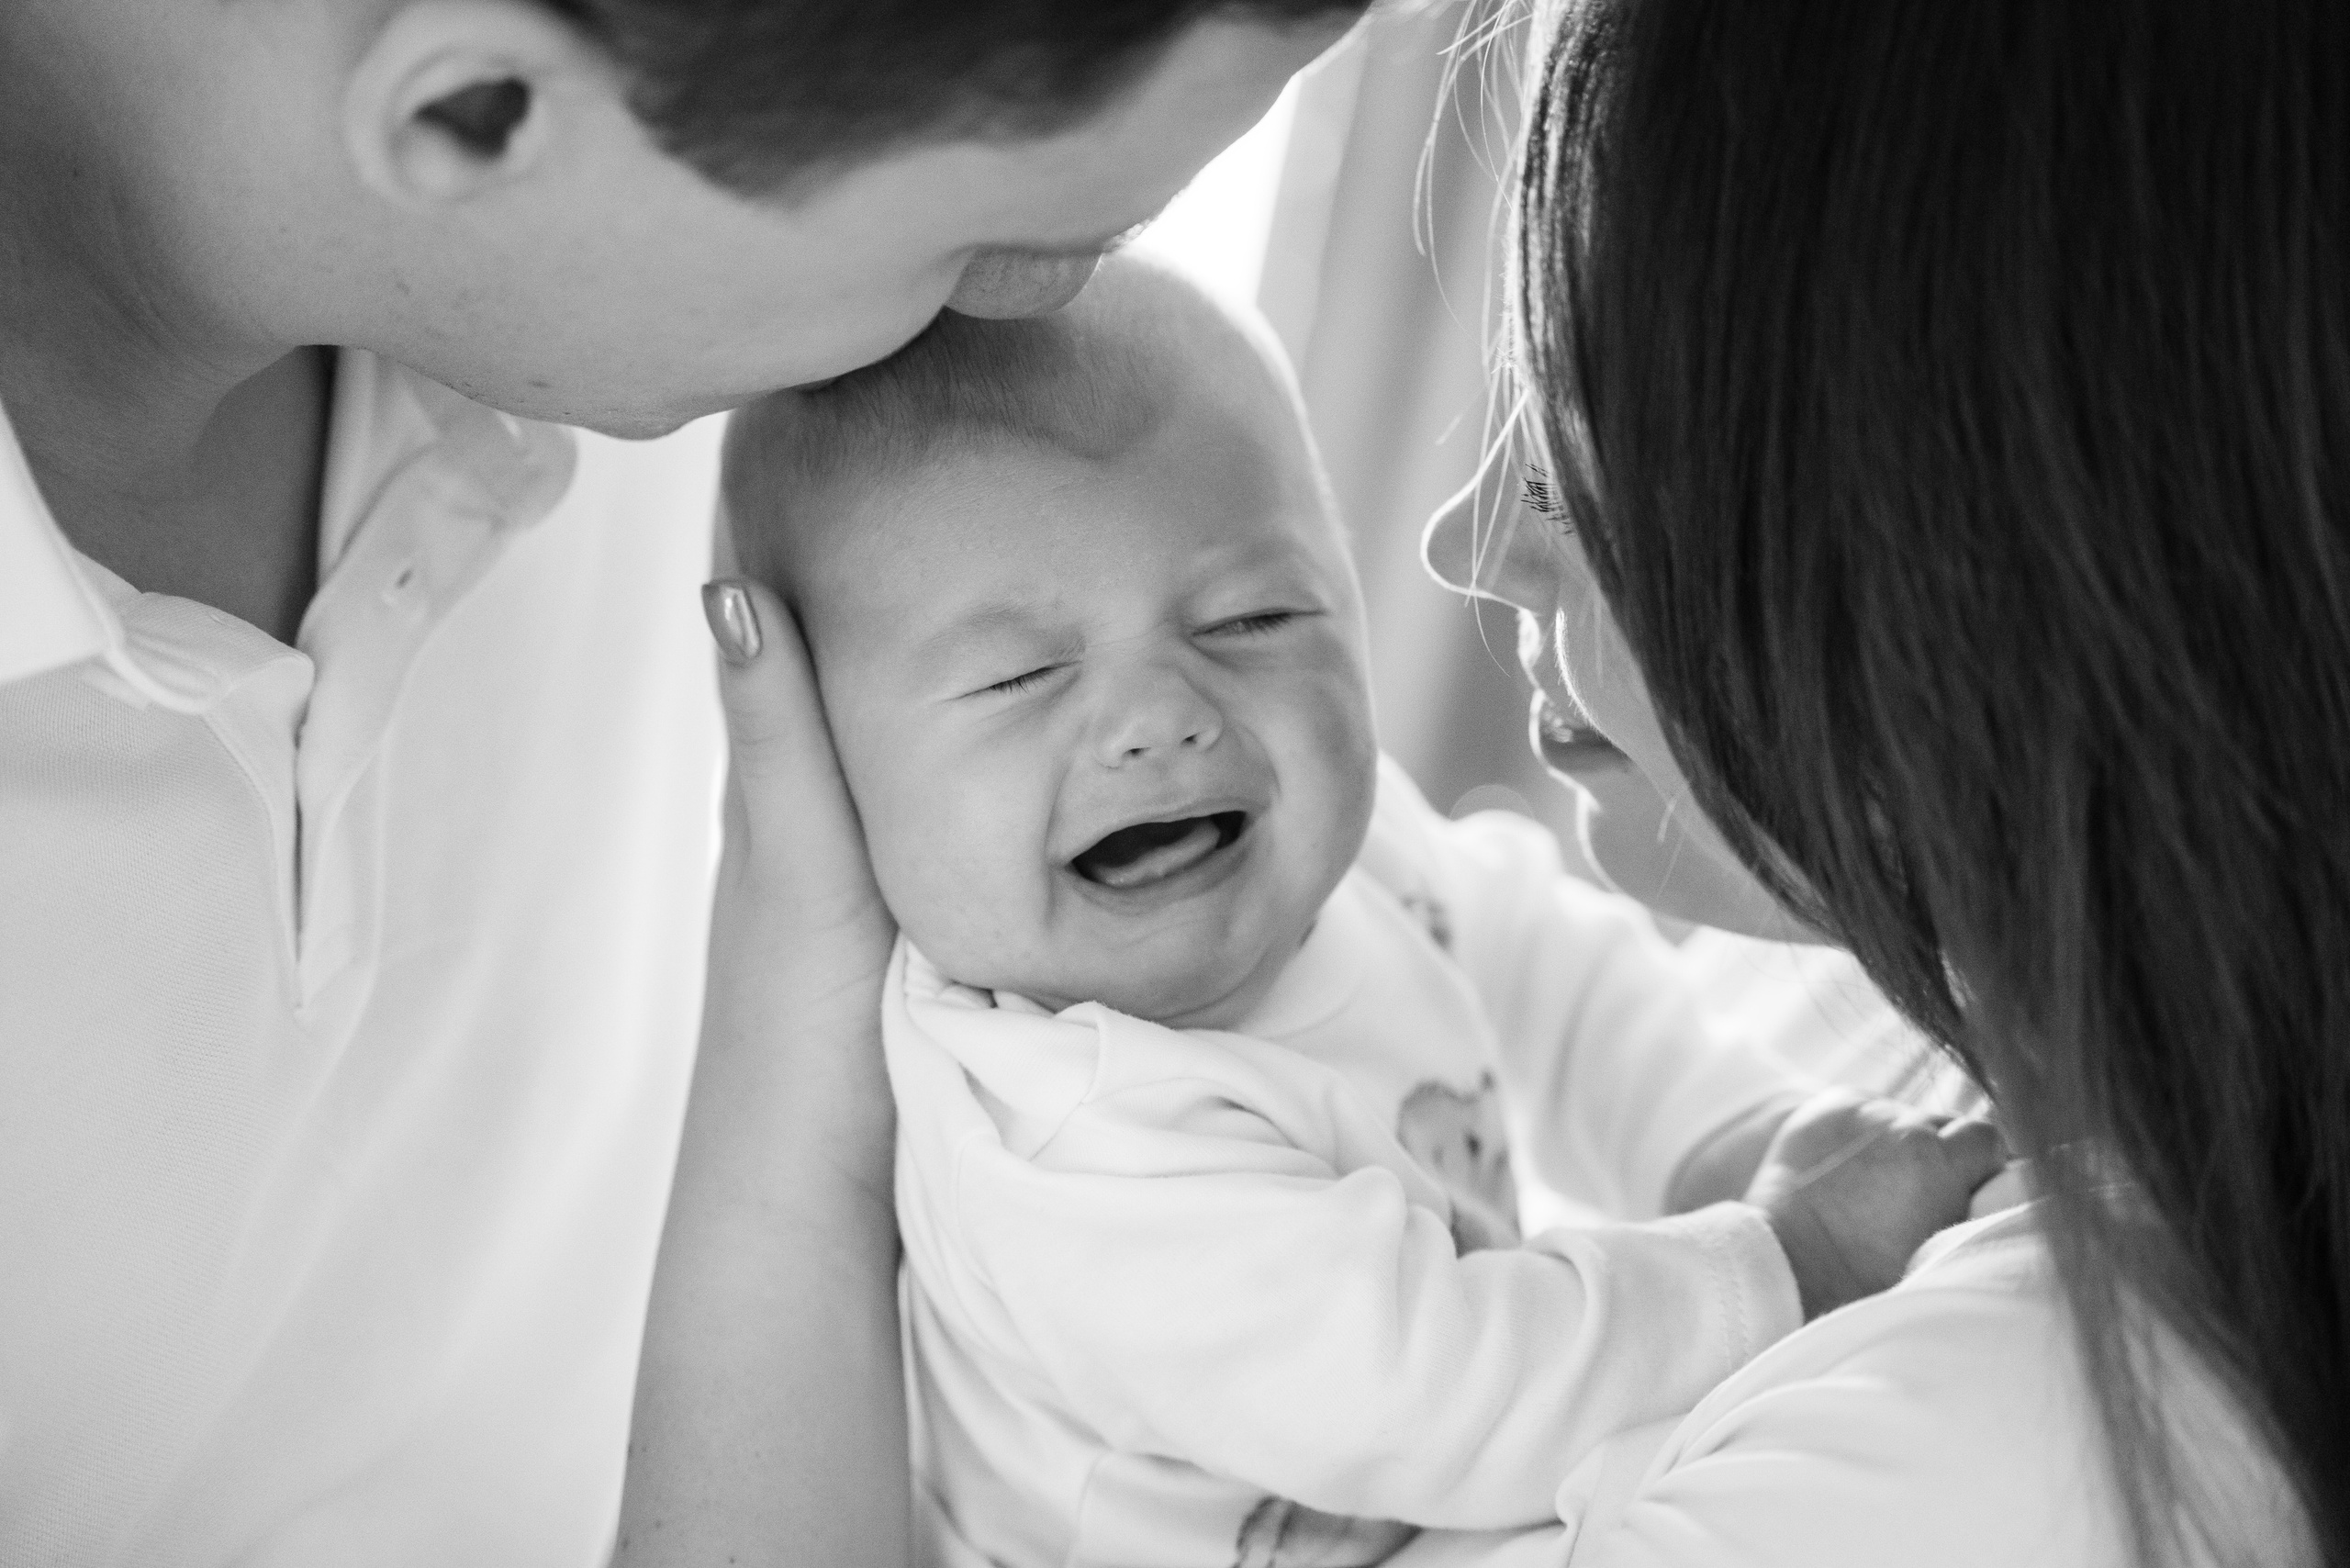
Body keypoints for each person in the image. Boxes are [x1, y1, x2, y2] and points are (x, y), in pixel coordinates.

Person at [0, 3, 1371, 1562]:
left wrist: (805, 1054)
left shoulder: (612, 280)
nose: (1038, 317)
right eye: (1006, 237)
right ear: (475, 111)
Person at [717, 256, 2004, 1568]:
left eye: (1250, 619)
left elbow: (1546, 972)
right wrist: (1786, 1259)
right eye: (1021, 676)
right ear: (827, 764)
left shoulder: (1333, 844)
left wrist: (1725, 1140)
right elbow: (1431, 1386)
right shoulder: (1061, 1139)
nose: (1162, 719)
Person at [1418, 0, 2345, 1562]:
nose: (1464, 549)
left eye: (1558, 466)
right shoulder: (1925, 1074)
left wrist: (848, 1142)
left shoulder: (1991, 1452)